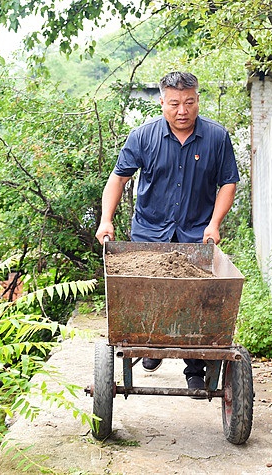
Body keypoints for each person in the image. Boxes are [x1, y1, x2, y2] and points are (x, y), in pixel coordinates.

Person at [95, 71, 239, 395]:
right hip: (149, 232)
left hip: (195, 234)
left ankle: (195, 367)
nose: (182, 110)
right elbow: (118, 178)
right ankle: (150, 347)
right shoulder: (143, 137)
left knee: (197, 300)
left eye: (189, 102)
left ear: (197, 99)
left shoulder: (216, 138)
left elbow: (228, 183)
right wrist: (106, 219)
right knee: (147, 295)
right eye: (174, 103)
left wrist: (214, 224)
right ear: (162, 102)